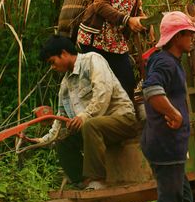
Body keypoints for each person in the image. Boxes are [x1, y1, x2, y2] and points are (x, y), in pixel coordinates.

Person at [37, 35, 139, 190]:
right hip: (95, 130)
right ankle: (81, 181)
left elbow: (103, 92)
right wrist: (41, 141)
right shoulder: (65, 84)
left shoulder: (92, 60)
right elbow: (60, 119)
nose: (52, 67)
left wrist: (85, 116)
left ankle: (98, 179)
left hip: (122, 120)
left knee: (89, 125)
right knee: (64, 138)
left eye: (52, 62)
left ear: (63, 53)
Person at [141, 11, 195, 202]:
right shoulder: (165, 63)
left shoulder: (169, 61)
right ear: (177, 37)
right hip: (166, 146)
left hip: (170, 146)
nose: (192, 39)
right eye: (189, 34)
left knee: (184, 201)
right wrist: (174, 114)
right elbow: (151, 89)